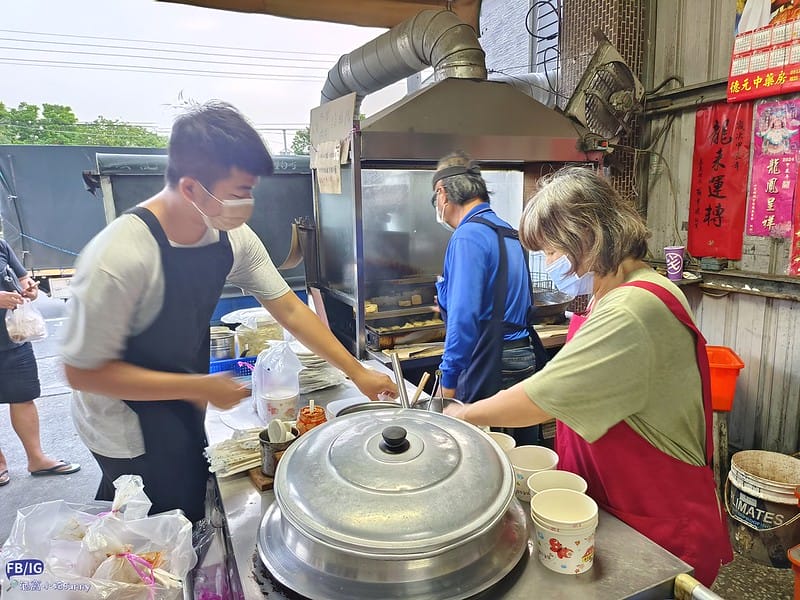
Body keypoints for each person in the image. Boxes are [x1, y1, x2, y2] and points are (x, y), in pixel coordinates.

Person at [61, 101, 396, 522]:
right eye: (240, 192)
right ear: (190, 189)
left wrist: (357, 370)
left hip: (184, 396)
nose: (248, 203)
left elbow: (290, 309)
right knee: (153, 521)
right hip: (123, 424)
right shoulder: (117, 258)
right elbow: (82, 372)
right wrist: (200, 386)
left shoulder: (230, 236)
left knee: (191, 499)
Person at [444, 166, 732, 586]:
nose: (548, 262)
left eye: (552, 250)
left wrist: (464, 415)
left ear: (587, 236)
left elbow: (543, 396)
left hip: (655, 523)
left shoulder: (633, 307)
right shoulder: (616, 291)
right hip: (614, 506)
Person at [431, 151, 548, 445]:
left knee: (481, 450)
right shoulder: (508, 231)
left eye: (436, 199)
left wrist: (447, 382)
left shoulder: (468, 235)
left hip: (491, 359)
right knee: (522, 450)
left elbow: (464, 318)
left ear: (442, 193)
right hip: (524, 354)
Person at [0, 240, 80, 487]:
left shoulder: (1, 245)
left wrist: (30, 289)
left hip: (14, 336)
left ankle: (37, 458)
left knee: (24, 396)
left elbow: (23, 278)